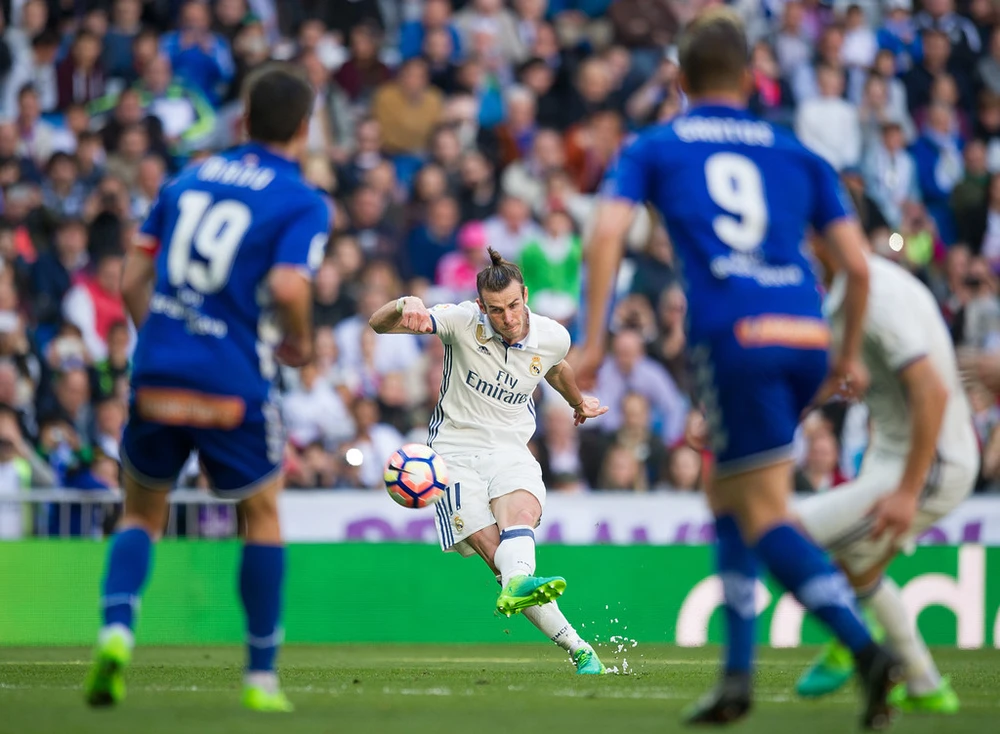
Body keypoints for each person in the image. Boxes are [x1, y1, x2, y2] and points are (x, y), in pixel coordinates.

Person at [574, 8, 901, 730]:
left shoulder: (658, 144)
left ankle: (866, 650)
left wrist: (592, 339)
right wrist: (845, 355)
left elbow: (605, 234)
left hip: (736, 335)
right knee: (728, 496)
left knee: (761, 514)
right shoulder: (798, 152)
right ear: (753, 79)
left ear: (682, 79)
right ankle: (736, 678)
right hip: (804, 332)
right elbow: (854, 261)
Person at [84, 63, 331, 713]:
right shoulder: (301, 199)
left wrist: (164, 343)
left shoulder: (184, 178)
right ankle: (260, 677)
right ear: (304, 129)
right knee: (262, 514)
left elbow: (132, 281)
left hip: (160, 368)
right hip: (230, 382)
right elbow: (285, 287)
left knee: (141, 512)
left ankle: (115, 633)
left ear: (242, 120)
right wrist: (300, 343)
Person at [369, 248, 610, 674]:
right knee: (496, 554)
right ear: (482, 307)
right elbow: (379, 324)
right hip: (453, 455)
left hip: (510, 448)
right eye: (497, 310)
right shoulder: (461, 321)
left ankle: (551, 619)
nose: (509, 317)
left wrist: (577, 402)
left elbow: (555, 368)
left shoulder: (553, 335)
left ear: (526, 296)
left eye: (515, 305)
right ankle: (578, 646)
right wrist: (404, 303)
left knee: (521, 514)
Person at [792, 242, 977, 714]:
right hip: (894, 457)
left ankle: (853, 640)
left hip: (927, 465)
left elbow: (932, 391)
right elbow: (838, 375)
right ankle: (925, 684)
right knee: (862, 568)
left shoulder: (872, 296)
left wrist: (909, 491)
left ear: (820, 237)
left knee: (780, 534)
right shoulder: (853, 289)